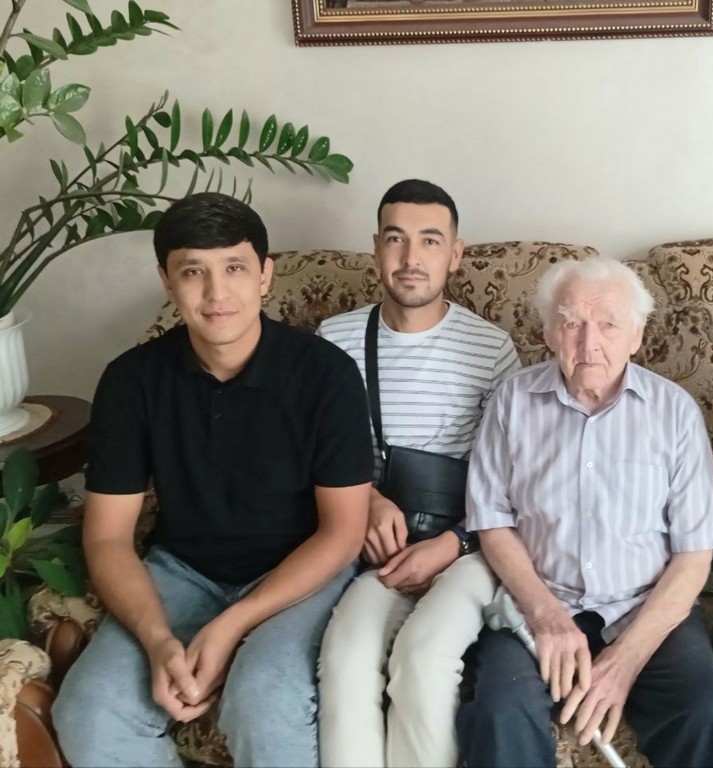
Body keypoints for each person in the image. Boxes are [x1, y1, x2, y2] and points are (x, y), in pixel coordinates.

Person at [52, 193, 374, 767]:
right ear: (166, 281)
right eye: (193, 272)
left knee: (263, 701)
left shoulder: (326, 373)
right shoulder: (131, 380)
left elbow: (344, 532)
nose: (217, 292)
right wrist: (157, 639)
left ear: (264, 275)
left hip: (302, 571)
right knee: (88, 713)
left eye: (234, 268)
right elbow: (106, 537)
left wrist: (234, 625)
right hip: (182, 570)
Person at [456, 256, 713, 768]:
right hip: (541, 599)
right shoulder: (512, 401)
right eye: (571, 323)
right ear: (548, 331)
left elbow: (694, 555)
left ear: (637, 335)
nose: (589, 343)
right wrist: (545, 616)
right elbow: (492, 521)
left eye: (608, 324)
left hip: (645, 607)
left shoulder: (675, 412)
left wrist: (626, 659)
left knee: (707, 712)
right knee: (500, 711)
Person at [316, 179, 520, 767]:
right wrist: (366, 501)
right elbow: (311, 452)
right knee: (347, 659)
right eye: (396, 239)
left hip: (468, 545)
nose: (411, 258)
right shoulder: (334, 340)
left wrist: (453, 543)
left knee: (424, 661)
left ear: (455, 254)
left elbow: (514, 478)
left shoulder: (491, 349)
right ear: (376, 247)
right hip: (372, 543)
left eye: (430, 241)